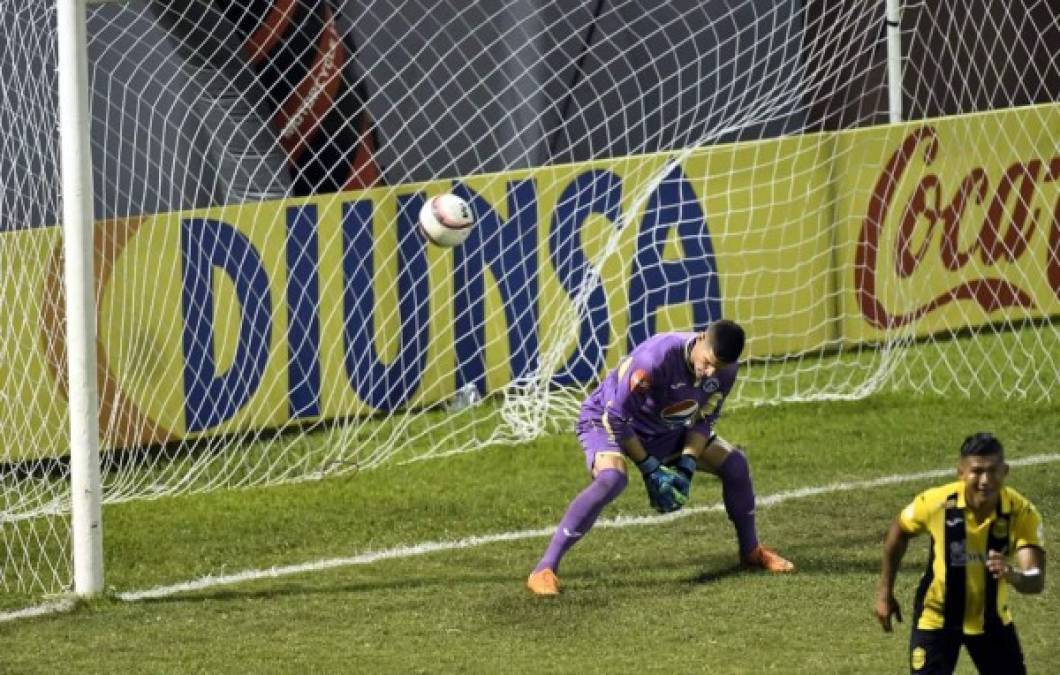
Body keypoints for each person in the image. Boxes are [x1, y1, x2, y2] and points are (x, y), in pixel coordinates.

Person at [526, 319, 794, 596]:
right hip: (604, 419)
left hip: (663, 429)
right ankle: (544, 569)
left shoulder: (725, 372)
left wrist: (688, 464)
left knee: (735, 464)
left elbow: (702, 421)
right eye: (708, 362)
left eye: (718, 367)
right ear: (701, 338)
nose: (710, 372)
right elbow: (616, 419)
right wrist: (650, 468)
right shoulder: (654, 360)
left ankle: (751, 552)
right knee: (612, 478)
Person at [874, 432, 1046, 674]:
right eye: (976, 471)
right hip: (936, 618)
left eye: (993, 470)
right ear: (961, 473)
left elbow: (1036, 579)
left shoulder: (1021, 513)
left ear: (1005, 471)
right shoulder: (936, 503)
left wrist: (1013, 574)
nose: (985, 480)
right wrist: (884, 592)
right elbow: (898, 531)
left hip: (992, 622)